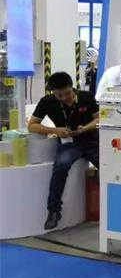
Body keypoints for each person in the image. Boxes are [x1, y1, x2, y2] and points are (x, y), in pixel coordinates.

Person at [28, 72, 100, 230]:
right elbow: (32, 125)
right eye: (59, 95)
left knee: (111, 168)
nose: (64, 98)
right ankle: (54, 211)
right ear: (53, 92)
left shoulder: (86, 97)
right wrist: (56, 130)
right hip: (69, 144)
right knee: (60, 168)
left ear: (72, 87)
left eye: (67, 93)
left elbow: (99, 118)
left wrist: (85, 128)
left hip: (92, 142)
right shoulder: (47, 102)